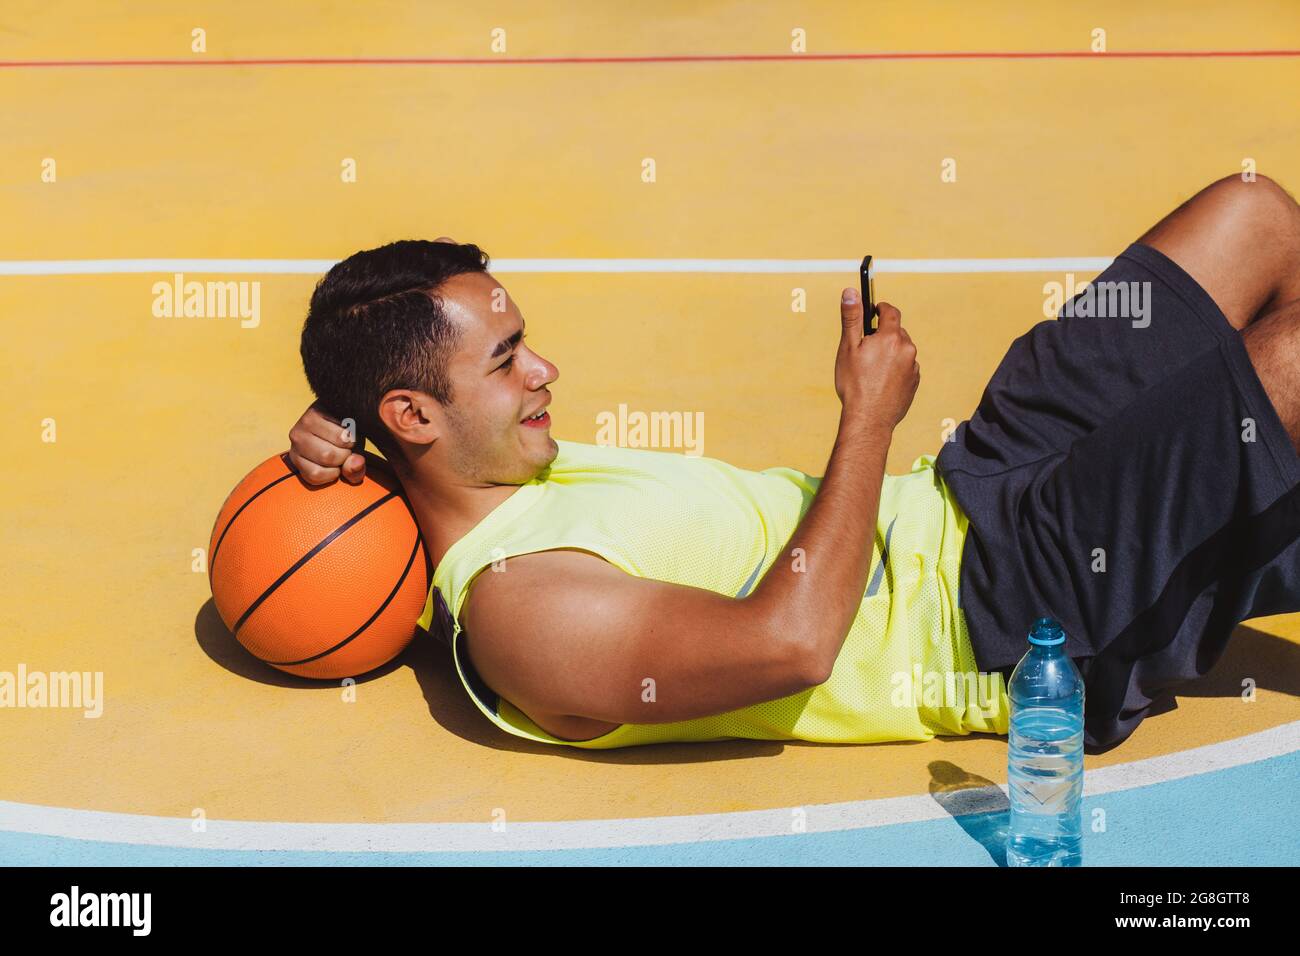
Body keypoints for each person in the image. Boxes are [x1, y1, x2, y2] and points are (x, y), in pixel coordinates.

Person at [289, 173, 1300, 752]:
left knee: (1250, 213)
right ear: (413, 413)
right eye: (508, 362)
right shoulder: (521, 610)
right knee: (1287, 362)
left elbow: (379, 447)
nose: (545, 369)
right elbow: (790, 645)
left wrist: (332, 437)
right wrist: (866, 416)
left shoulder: (478, 462)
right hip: (1001, 608)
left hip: (975, 485)